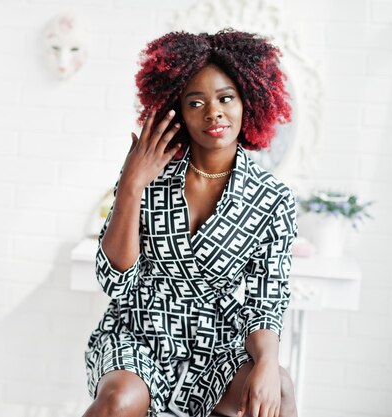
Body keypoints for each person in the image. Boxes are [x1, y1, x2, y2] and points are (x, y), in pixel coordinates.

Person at [83, 29, 299, 417]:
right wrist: (132, 185)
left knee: (278, 389)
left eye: (225, 98)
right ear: (177, 111)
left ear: (248, 103)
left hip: (215, 344)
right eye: (195, 102)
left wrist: (267, 362)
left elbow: (267, 297)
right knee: (118, 400)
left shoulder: (272, 199)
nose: (213, 112)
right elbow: (114, 281)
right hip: (139, 335)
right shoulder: (149, 174)